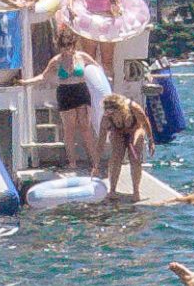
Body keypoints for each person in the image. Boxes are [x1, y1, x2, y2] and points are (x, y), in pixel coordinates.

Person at [44, 27, 99, 172]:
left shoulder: (82, 57)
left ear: (74, 45)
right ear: (59, 45)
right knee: (69, 129)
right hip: (65, 92)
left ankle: (95, 163)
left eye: (69, 45)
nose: (66, 48)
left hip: (81, 91)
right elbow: (44, 76)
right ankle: (72, 163)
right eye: (63, 45)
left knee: (86, 128)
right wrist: (26, 82)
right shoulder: (56, 61)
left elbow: (96, 69)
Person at [98, 78, 152, 201]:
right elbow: (101, 140)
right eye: (108, 113)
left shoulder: (133, 108)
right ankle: (112, 190)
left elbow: (145, 123)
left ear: (120, 109)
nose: (109, 115)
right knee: (116, 157)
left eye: (112, 112)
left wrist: (151, 141)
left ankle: (136, 191)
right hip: (118, 132)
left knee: (135, 158)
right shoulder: (107, 117)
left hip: (135, 129)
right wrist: (95, 164)